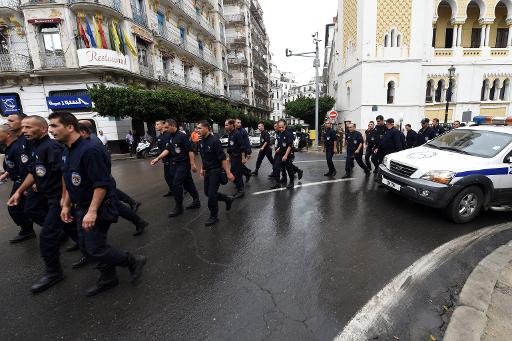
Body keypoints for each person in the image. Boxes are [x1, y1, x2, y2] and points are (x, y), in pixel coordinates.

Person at [49, 111, 146, 297]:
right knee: (86, 247)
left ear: (70, 127)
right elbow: (70, 180)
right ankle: (109, 277)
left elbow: (101, 183)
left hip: (98, 207)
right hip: (80, 207)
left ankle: (133, 260)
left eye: (54, 126)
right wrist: (66, 204)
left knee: (95, 247)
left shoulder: (89, 150)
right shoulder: (66, 150)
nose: (51, 130)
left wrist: (92, 211)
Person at [7, 115, 79, 293]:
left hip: (57, 198)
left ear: (43, 129)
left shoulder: (52, 147)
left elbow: (64, 173)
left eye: (29, 127)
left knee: (47, 236)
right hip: (47, 195)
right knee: (70, 227)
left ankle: (54, 272)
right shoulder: (34, 146)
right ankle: (93, 251)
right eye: (23, 127)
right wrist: (18, 191)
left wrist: (65, 201)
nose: (24, 131)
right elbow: (33, 172)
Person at [79, 121, 148, 237]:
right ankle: (136, 214)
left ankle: (137, 218)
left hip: (101, 180)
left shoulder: (91, 142)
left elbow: (104, 162)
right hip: (101, 180)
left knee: (113, 204)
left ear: (84, 130)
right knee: (115, 202)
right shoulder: (90, 140)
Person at [151, 119, 201, 217]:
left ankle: (179, 206)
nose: (165, 129)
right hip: (175, 163)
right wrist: (157, 158)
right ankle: (196, 200)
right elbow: (168, 149)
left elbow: (190, 150)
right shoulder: (170, 136)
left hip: (183, 163)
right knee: (188, 183)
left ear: (173, 125)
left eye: (167, 127)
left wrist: (192, 164)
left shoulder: (182, 136)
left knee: (176, 184)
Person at [0, 124, 36, 243]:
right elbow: (13, 166)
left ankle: (29, 230)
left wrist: (25, 187)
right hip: (19, 181)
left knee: (18, 208)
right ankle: (27, 229)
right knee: (21, 208)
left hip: (23, 182)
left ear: (8, 134)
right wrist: (5, 174)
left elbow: (25, 168)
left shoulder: (18, 148)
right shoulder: (9, 147)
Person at [196, 120, 235, 226]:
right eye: (197, 128)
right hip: (207, 171)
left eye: (199, 128)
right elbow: (204, 157)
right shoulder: (201, 141)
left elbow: (223, 159)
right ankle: (227, 199)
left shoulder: (215, 141)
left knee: (212, 195)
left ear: (207, 128)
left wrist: (228, 173)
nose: (197, 130)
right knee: (207, 193)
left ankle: (214, 216)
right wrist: (202, 169)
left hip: (216, 171)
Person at [271, 120, 296, 189]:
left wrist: (285, 155)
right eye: (279, 127)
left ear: (285, 126)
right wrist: (278, 148)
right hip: (280, 154)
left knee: (289, 169)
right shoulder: (279, 134)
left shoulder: (288, 134)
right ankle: (277, 183)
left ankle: (291, 182)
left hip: (287, 155)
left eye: (282, 127)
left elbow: (289, 146)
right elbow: (281, 144)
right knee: (276, 167)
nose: (281, 128)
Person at [226, 119, 246, 198]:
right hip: (233, 157)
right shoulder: (230, 134)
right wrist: (229, 157)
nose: (226, 127)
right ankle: (239, 188)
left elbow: (242, 146)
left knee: (237, 174)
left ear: (231, 125)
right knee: (233, 173)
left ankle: (241, 190)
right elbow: (230, 147)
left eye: (227, 125)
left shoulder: (237, 134)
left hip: (237, 157)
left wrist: (243, 158)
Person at [155, 121, 173, 197]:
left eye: (157, 124)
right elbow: (160, 149)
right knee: (167, 177)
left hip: (172, 159)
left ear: (163, 125)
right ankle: (172, 190)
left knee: (175, 177)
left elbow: (169, 148)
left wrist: (158, 158)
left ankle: (181, 190)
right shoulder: (159, 137)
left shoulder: (169, 135)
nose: (156, 126)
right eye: (155, 125)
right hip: (165, 160)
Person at [235, 119, 252, 183]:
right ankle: (247, 173)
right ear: (234, 123)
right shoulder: (235, 130)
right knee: (238, 165)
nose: (239, 124)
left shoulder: (243, 131)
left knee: (238, 165)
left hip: (243, 151)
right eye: (238, 122)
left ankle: (246, 173)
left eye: (240, 122)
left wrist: (248, 152)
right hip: (236, 151)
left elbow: (247, 142)